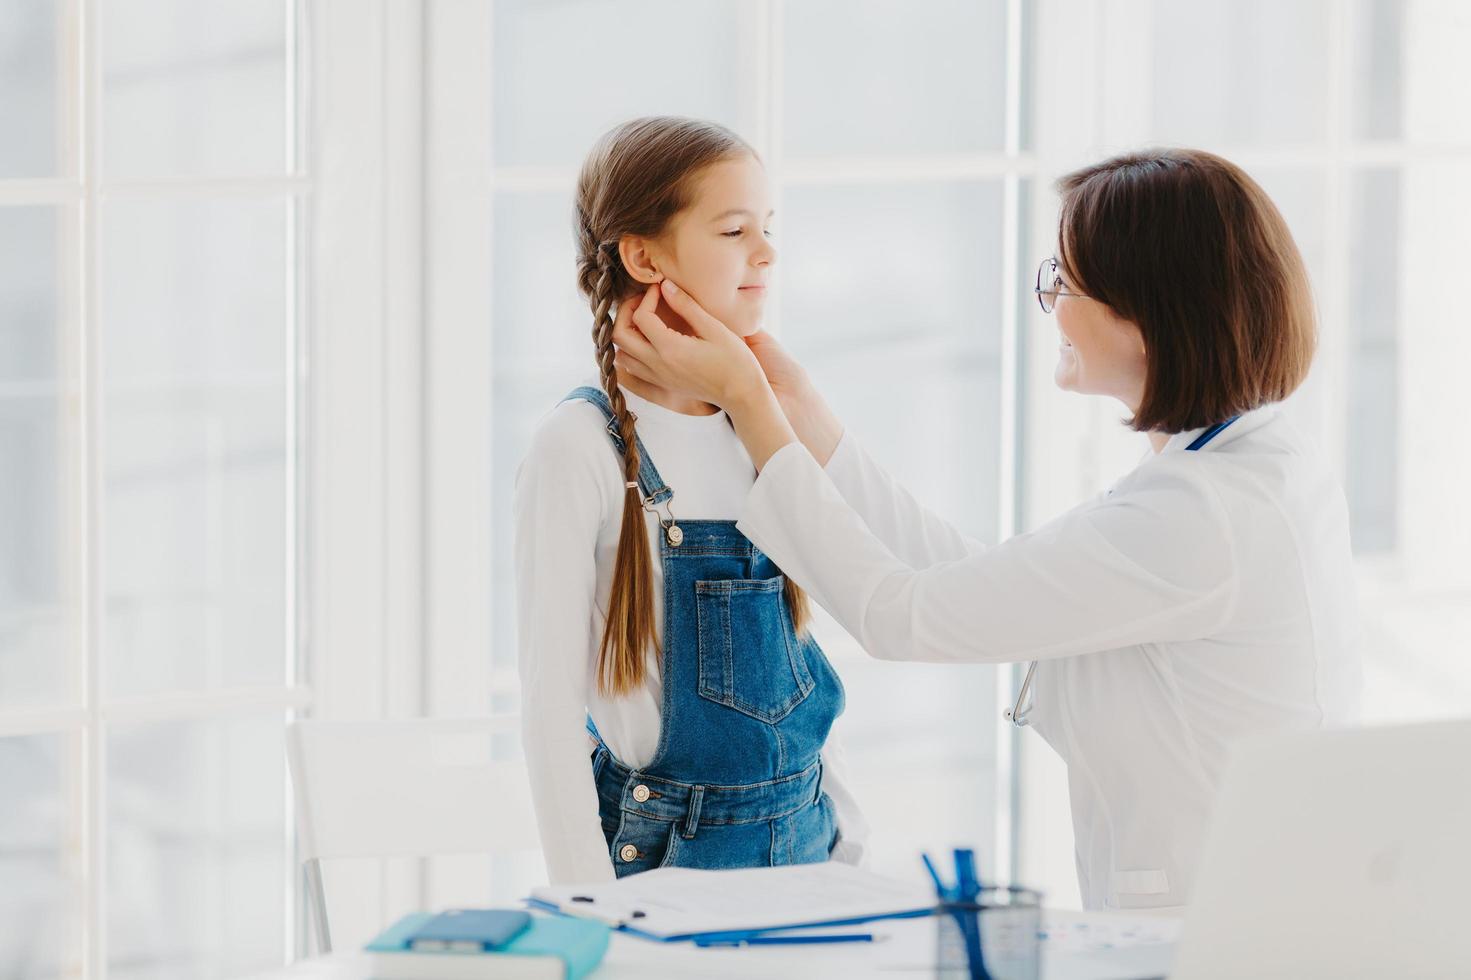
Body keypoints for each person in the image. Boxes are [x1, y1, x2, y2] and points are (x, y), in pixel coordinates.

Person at [612, 148, 1363, 909]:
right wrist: (799, 413)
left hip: (1223, 930)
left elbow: (901, 616)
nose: (1050, 304)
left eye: (1062, 282)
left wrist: (750, 406)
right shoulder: (1238, 472)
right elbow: (967, 581)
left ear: (1147, 310)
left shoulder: (1204, 516)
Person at [514, 116, 868, 885]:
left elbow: (798, 647)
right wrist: (589, 911)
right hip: (665, 866)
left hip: (809, 848)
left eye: (768, 228)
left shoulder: (763, 427)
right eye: (735, 229)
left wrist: (850, 837)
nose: (767, 252)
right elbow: (548, 713)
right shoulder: (579, 447)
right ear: (643, 256)